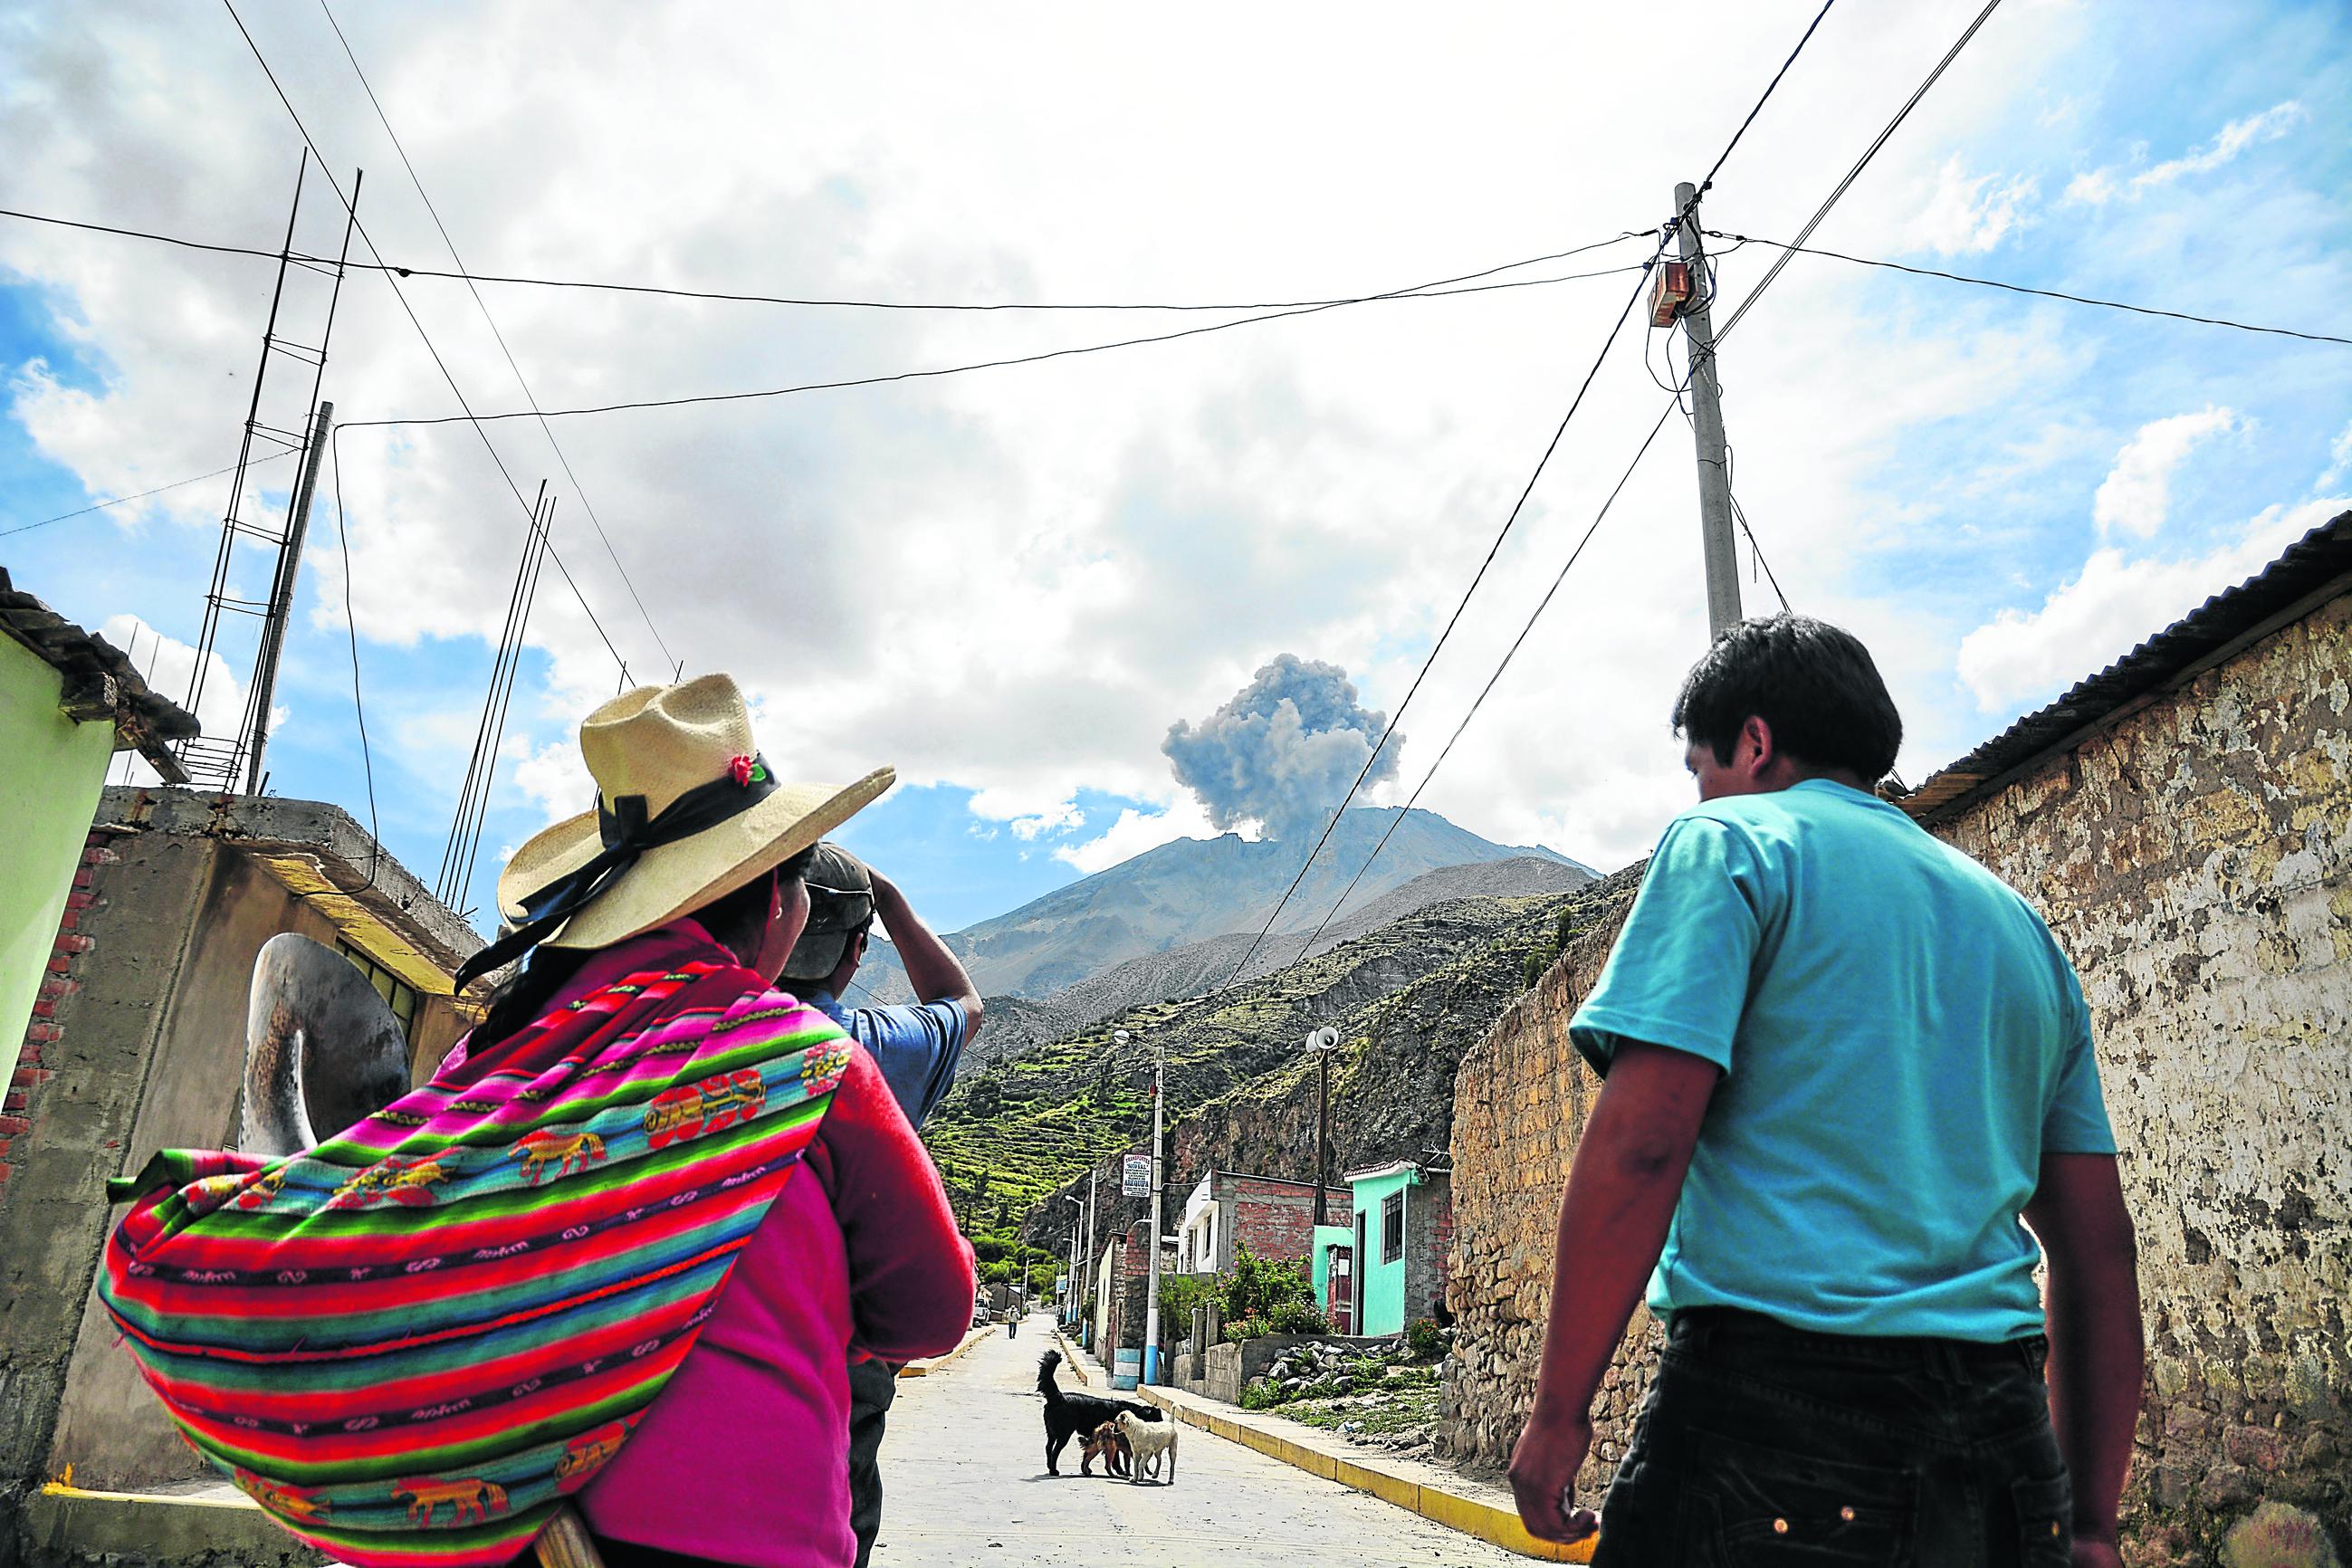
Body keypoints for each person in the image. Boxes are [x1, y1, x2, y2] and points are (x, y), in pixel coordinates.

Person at [100, 675, 976, 1568]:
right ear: (780, 904)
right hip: (737, 1540)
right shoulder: (800, 1057)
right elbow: (933, 1310)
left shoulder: (489, 1063)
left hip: (485, 1540)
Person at [1506, 617, 2143, 1568]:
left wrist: (1560, 1411)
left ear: (1754, 742)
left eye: (1702, 766)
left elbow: (1644, 1145)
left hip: (1772, 1422)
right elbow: (2099, 1249)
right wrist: (2089, 1520)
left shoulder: (1731, 844)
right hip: (2001, 1444)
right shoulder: (2019, 929)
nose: (1704, 791)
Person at [780, 844, 984, 1568]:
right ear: (856, 950)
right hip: (843, 1361)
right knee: (837, 1517)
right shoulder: (871, 1049)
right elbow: (964, 1005)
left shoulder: (678, 1042)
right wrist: (889, 897)